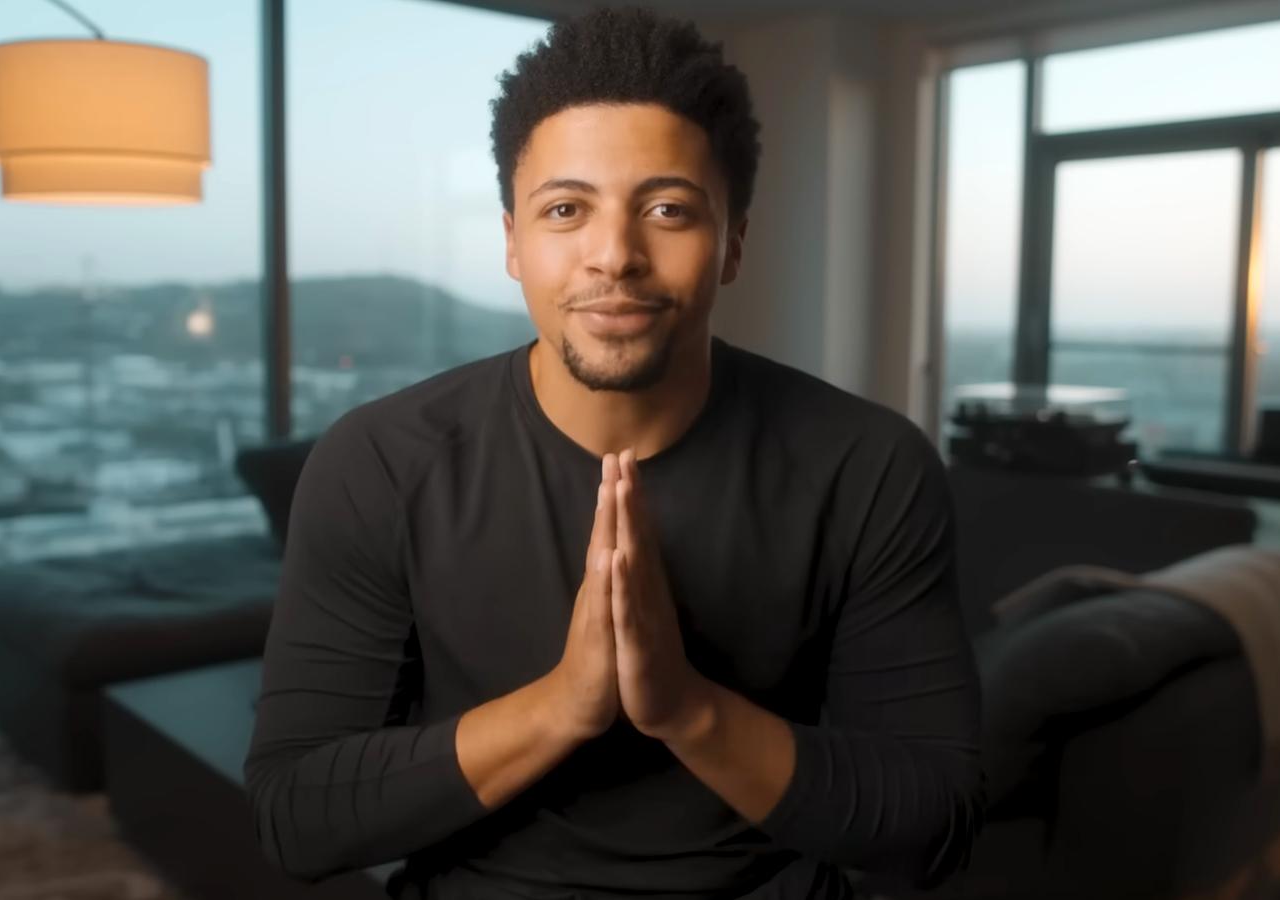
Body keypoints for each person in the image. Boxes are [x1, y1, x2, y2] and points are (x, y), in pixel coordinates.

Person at [244, 6, 984, 898]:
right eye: (565, 210)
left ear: (733, 244)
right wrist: (563, 706)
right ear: (513, 242)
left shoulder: (868, 466)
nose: (615, 256)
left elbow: (934, 822)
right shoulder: (381, 462)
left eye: (667, 209)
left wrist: (686, 709)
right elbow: (297, 816)